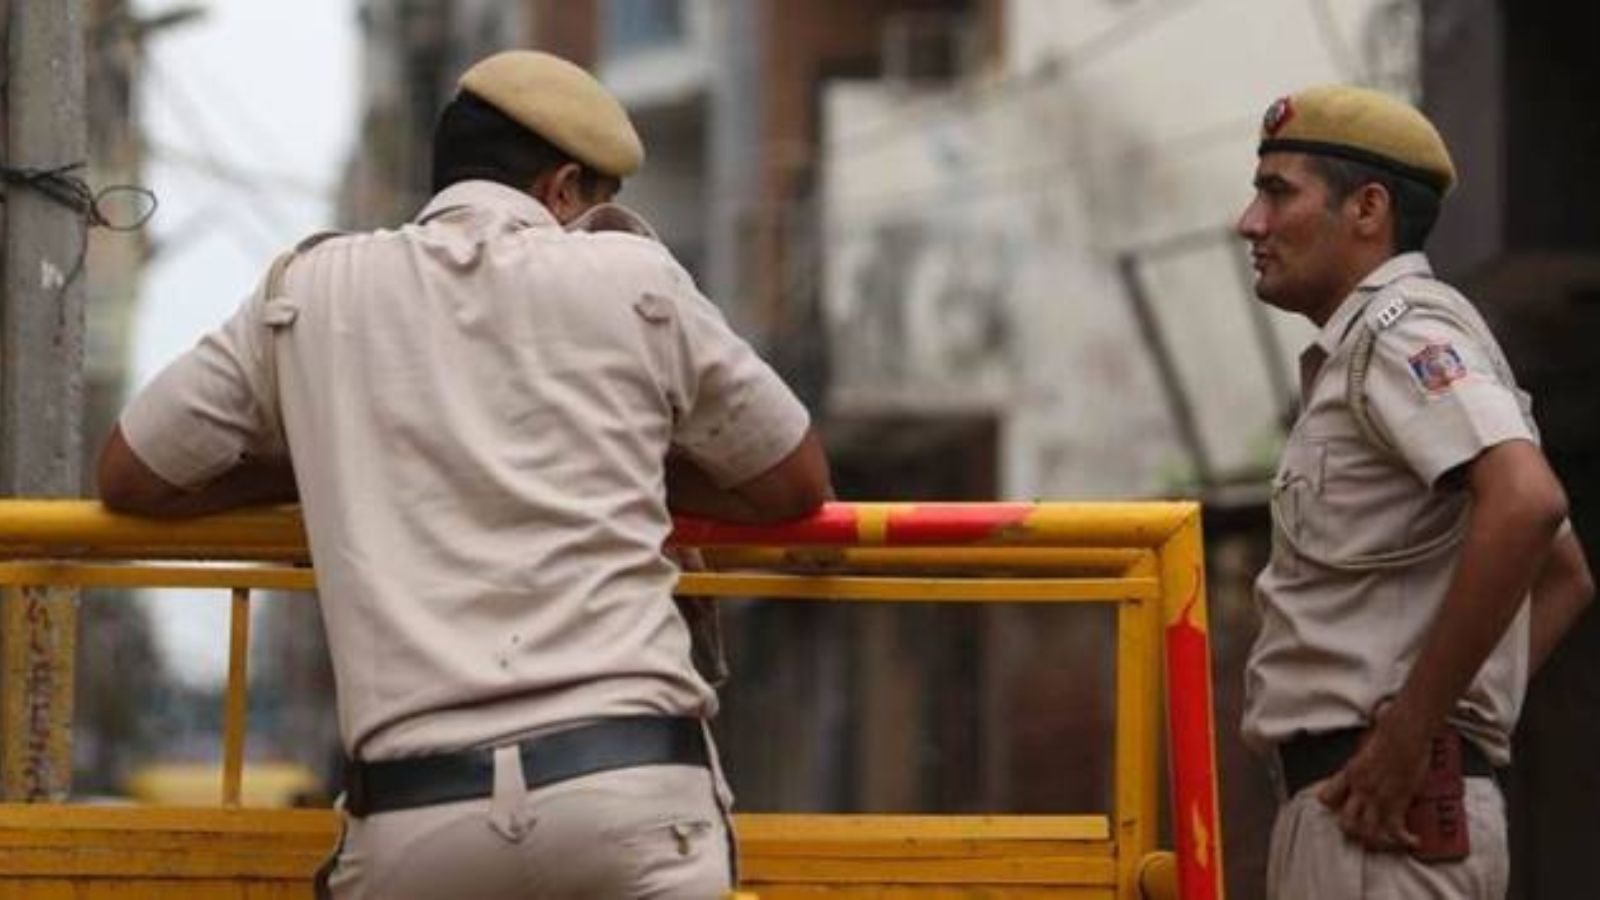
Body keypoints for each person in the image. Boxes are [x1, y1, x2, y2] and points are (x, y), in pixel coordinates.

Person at [98, 50, 831, 899]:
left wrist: (335, 459)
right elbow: (793, 483)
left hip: (416, 818)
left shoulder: (309, 288)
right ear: (564, 189)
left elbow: (132, 475)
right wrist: (618, 461)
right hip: (633, 796)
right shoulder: (634, 278)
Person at [1236, 84, 1594, 899]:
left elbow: (1528, 503)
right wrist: (1444, 724)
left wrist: (1415, 731)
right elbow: (1563, 574)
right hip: (1372, 805)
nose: (1250, 222)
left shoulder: (1401, 333)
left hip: (1379, 820)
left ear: (1367, 209)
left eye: (1277, 193)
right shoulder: (1374, 345)